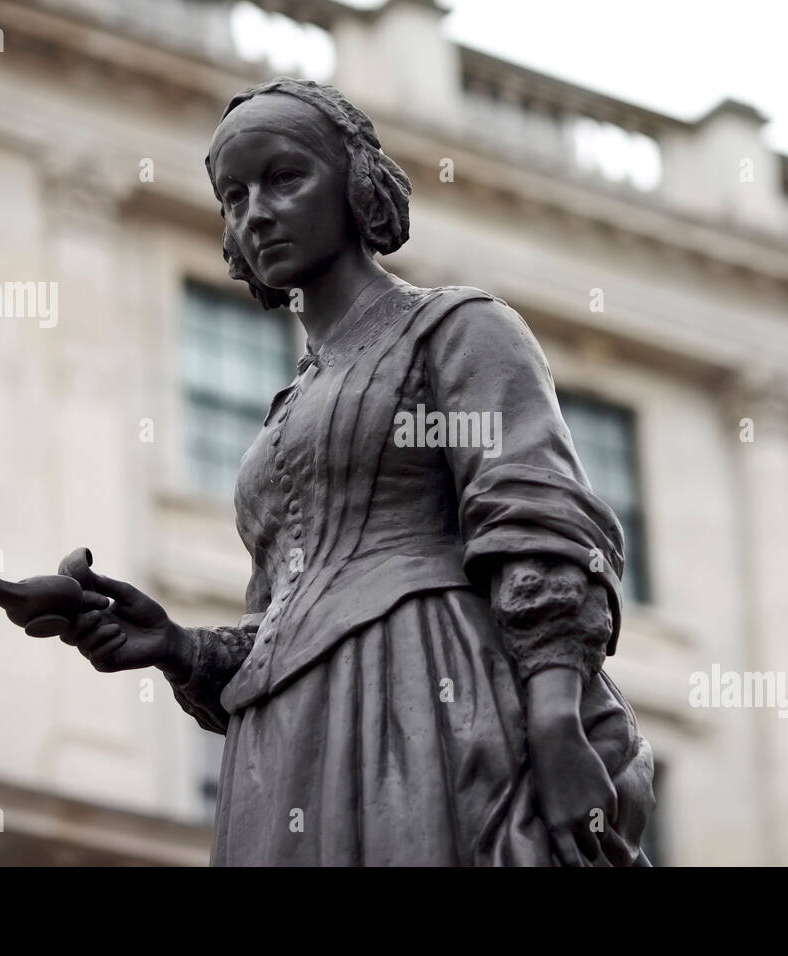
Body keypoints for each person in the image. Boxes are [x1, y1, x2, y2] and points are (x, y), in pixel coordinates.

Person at [56, 77, 654, 865]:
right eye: (232, 197)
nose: (254, 213)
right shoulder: (282, 417)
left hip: (423, 687)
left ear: (356, 184)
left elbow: (536, 524)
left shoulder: (461, 329)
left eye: (284, 178)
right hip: (286, 738)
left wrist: (552, 718)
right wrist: (175, 646)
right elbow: (281, 619)